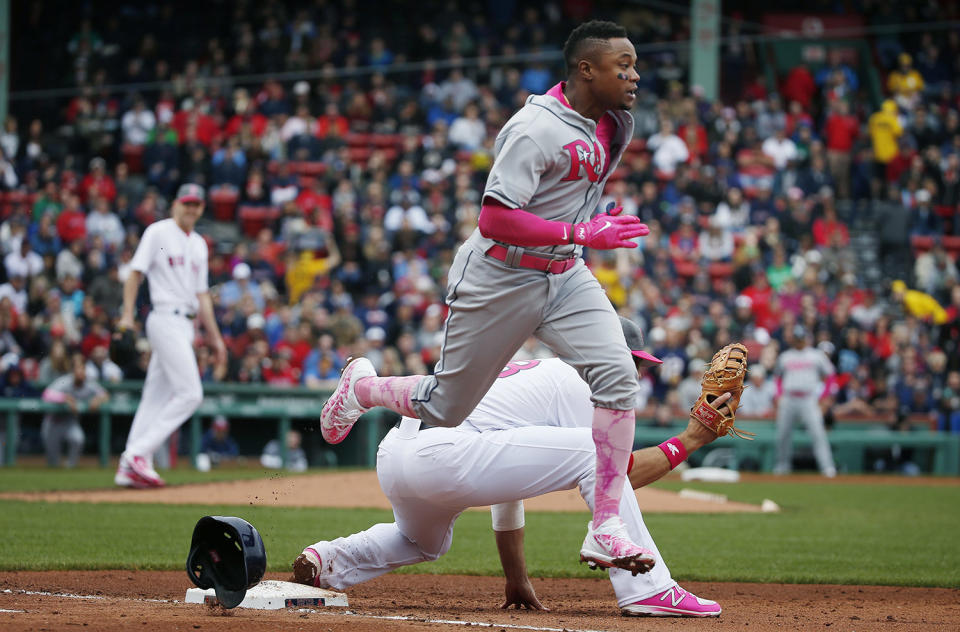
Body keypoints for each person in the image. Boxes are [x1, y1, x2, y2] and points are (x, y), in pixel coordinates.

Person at [321, 20, 653, 573]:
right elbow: (495, 217)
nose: (635, 74)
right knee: (446, 407)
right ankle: (363, 387)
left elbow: (563, 198)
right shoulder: (534, 129)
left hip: (564, 273)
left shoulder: (614, 122)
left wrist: (585, 223)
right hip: (501, 277)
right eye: (623, 64)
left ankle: (606, 527)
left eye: (635, 63)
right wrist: (579, 232)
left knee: (619, 375)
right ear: (586, 70)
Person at [296, 319, 723, 617]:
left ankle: (329, 560)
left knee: (419, 541)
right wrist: (689, 441)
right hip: (445, 452)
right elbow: (615, 472)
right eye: (631, 360)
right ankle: (650, 589)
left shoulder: (545, 377)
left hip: (400, 453)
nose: (635, 371)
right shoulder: (583, 381)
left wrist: (516, 579)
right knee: (596, 453)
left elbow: (507, 487)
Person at [114, 183, 227, 488]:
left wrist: (215, 339)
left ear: (201, 208)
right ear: (175, 204)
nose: (191, 209)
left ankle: (129, 466)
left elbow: (202, 296)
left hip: (185, 323)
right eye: (186, 203)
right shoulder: (158, 232)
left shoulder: (200, 244)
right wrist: (126, 315)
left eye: (196, 204)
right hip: (164, 316)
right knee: (191, 394)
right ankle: (138, 454)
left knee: (155, 397)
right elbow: (134, 273)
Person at [773, 325, 837, 477]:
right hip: (789, 399)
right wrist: (779, 395)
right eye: (797, 338)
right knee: (783, 434)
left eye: (801, 338)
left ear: (806, 338)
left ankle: (827, 467)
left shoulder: (816, 355)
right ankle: (782, 466)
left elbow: (830, 375)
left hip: (808, 399)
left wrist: (824, 396)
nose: (799, 341)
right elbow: (778, 378)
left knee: (818, 433)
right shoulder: (786, 356)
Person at [40, 352, 108, 468]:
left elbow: (104, 394)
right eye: (78, 369)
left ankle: (70, 467)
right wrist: (64, 398)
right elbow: (46, 394)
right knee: (53, 461)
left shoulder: (89, 383)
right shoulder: (64, 380)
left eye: (83, 369)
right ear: (73, 371)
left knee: (78, 439)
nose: (81, 372)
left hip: (70, 422)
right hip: (53, 422)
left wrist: (97, 399)